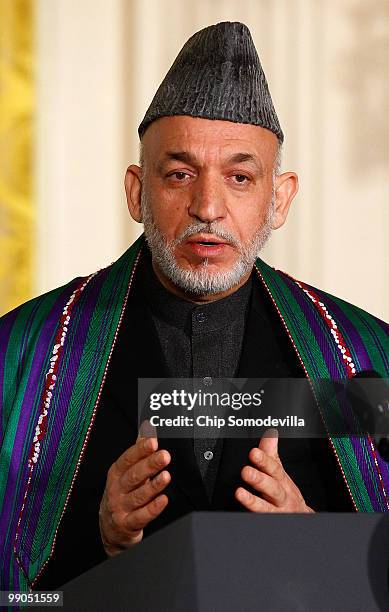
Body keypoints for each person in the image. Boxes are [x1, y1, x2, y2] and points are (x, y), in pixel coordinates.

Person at [0, 21, 388, 593]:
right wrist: (101, 539)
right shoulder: (23, 355)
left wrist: (315, 543)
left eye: (239, 176)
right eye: (180, 174)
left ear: (278, 199)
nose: (208, 206)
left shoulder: (364, 358)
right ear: (137, 191)